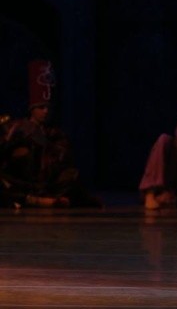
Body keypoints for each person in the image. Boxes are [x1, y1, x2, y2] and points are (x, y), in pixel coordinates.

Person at [0, 60, 103, 209]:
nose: (46, 111)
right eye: (41, 107)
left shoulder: (55, 133)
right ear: (32, 109)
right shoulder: (16, 127)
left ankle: (43, 199)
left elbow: (62, 160)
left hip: (46, 183)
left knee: (71, 177)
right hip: (20, 181)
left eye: (48, 108)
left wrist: (44, 143)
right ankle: (34, 200)